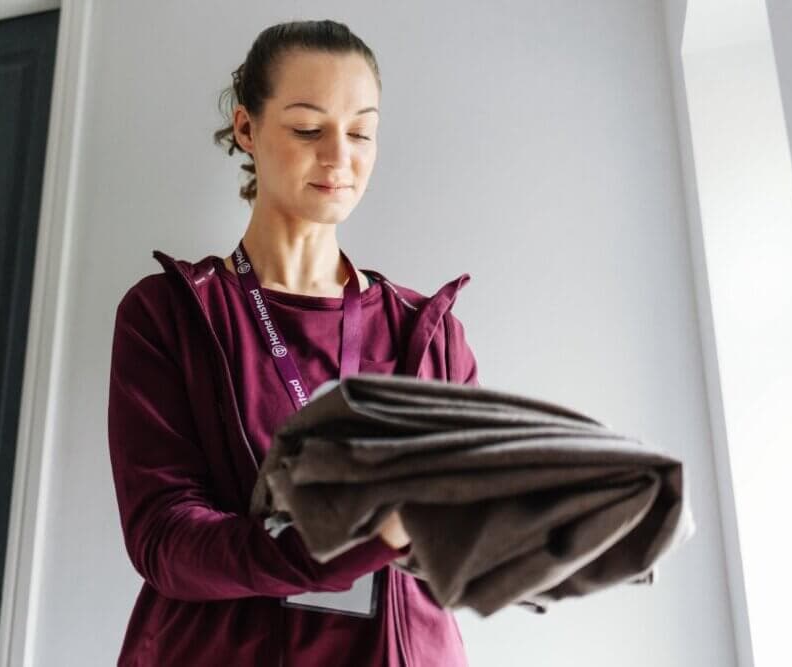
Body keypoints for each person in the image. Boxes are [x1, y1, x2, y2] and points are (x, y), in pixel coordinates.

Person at [107, 19, 478, 666]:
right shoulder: (166, 314)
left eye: (362, 131)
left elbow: (466, 542)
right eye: (309, 128)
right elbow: (164, 537)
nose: (341, 156)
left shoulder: (430, 334)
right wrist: (349, 540)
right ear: (247, 129)